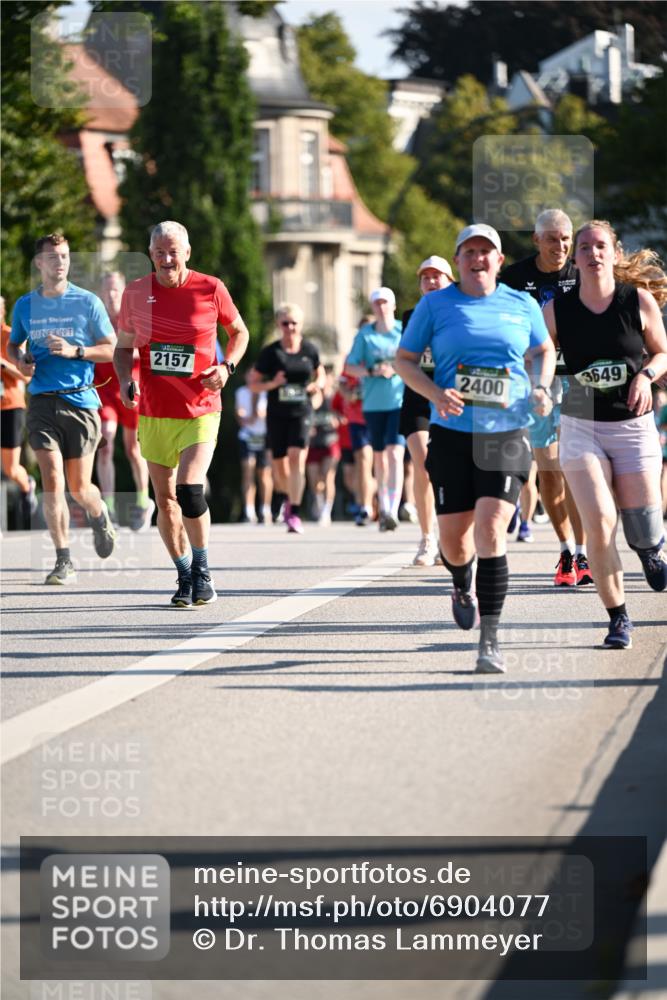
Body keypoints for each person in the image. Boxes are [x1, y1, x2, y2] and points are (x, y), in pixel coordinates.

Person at [395, 224, 556, 674]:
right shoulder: (435, 305)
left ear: (499, 261)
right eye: (469, 252)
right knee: (455, 541)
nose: (477, 258)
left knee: (490, 528)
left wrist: (541, 386)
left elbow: (544, 349)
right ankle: (460, 581)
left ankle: (490, 639)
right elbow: (404, 362)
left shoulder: (521, 304)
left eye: (486, 251)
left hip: (507, 431)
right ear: (458, 260)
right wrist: (434, 393)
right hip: (452, 433)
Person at [543, 220, 667, 649]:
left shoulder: (638, 301)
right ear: (574, 259)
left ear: (614, 253)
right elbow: (540, 353)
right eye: (584, 247)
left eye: (600, 246)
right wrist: (539, 383)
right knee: (599, 522)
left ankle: (649, 551)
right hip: (581, 425)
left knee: (643, 527)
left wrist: (646, 376)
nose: (593, 253)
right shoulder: (557, 309)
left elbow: (662, 352)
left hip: (632, 425)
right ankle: (618, 618)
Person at [114, 220, 250, 607]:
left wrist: (227, 368)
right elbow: (123, 348)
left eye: (173, 252)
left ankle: (203, 570)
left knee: (189, 489)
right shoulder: (136, 293)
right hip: (155, 411)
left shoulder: (211, 288)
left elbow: (239, 333)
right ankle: (184, 571)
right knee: (165, 500)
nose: (167, 259)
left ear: (187, 253)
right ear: (150, 255)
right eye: (159, 252)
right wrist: (126, 380)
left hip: (200, 408)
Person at [7, 233, 117, 583]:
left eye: (65, 256)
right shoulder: (25, 305)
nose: (61, 263)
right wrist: (21, 360)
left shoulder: (86, 302)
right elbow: (13, 345)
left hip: (80, 402)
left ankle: (98, 513)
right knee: (52, 480)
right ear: (39, 262)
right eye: (53, 257)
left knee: (79, 488)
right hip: (41, 400)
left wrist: (75, 351)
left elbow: (111, 349)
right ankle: (63, 559)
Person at [500, 208, 591, 586]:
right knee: (550, 471)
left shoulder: (582, 272)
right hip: (536, 381)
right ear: (536, 239)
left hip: (578, 382)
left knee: (576, 469)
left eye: (566, 238)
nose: (561, 246)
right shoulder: (514, 278)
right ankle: (566, 550)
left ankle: (584, 553)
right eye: (552, 238)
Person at [248, 304, 325, 534]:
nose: (290, 327)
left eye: (294, 323)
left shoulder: (310, 349)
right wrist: (273, 383)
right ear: (278, 325)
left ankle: (294, 512)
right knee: (280, 468)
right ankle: (286, 497)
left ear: (300, 325)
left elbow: (320, 373)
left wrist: (316, 385)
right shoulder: (271, 353)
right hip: (277, 414)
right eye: (285, 323)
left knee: (296, 459)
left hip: (302, 412)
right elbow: (253, 384)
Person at [399, 255, 453, 565]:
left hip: (451, 398)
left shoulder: (461, 312)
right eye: (425, 277)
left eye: (437, 276)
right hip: (418, 396)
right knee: (423, 464)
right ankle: (427, 537)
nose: (431, 281)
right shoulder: (411, 316)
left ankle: (449, 535)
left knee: (448, 467)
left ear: (449, 281)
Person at [95, 272, 154, 531]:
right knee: (105, 444)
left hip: (131, 389)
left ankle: (143, 502)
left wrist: (121, 351)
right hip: (105, 391)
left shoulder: (134, 319)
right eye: (107, 290)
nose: (111, 295)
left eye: (115, 290)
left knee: (133, 449)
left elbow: (146, 352)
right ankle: (107, 509)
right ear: (101, 293)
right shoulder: (95, 321)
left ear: (124, 292)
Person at [345, 288, 405, 531]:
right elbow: (349, 366)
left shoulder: (403, 330)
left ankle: (393, 508)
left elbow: (417, 358)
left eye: (385, 302)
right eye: (377, 303)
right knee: (379, 458)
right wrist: (371, 371)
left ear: (393, 305)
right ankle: (383, 507)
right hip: (373, 404)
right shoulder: (365, 334)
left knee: (395, 454)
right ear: (372, 307)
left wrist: (397, 368)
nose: (381, 307)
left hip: (399, 401)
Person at [1, 295, 37, 526]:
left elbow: (26, 375)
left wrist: (3, 365)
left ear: (2, 312)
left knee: (11, 469)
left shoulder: (10, 336)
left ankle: (27, 486)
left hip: (10, 406)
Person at [234, 369, 272, 524]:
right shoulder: (241, 392)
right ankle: (249, 511)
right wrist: (243, 417)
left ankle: (265, 509)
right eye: (249, 375)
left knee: (264, 474)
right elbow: (239, 412)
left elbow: (265, 413)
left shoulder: (266, 392)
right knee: (248, 471)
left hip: (263, 436)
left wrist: (257, 411)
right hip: (247, 436)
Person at [306, 365, 341, 525]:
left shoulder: (336, 397)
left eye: (329, 378)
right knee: (314, 479)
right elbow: (306, 413)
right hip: (313, 443)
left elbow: (345, 415)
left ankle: (327, 510)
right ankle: (319, 503)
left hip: (331, 441)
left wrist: (337, 419)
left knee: (328, 476)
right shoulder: (313, 396)